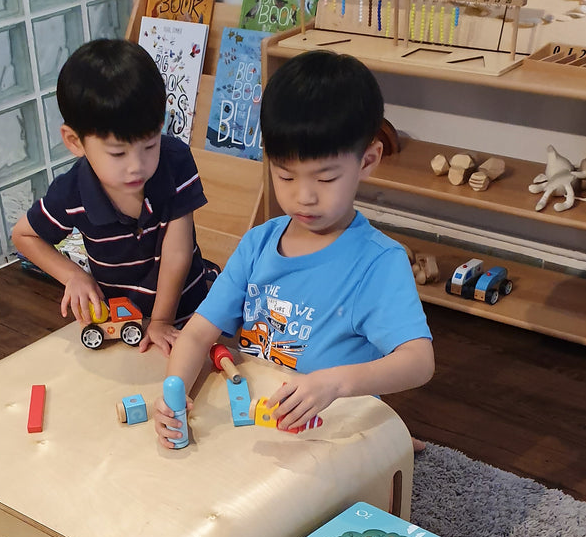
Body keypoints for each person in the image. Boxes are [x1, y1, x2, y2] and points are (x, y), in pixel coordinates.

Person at [153, 50, 434, 446]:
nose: (304, 197)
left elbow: (419, 362)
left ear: (367, 161)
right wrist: (175, 390)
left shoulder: (379, 262)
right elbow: (198, 333)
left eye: (326, 178)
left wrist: (335, 382)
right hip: (257, 420)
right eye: (285, 175)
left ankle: (396, 445)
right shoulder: (258, 243)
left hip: (331, 428)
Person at [11, 39, 215, 355]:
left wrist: (162, 320)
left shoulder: (175, 161)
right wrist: (74, 277)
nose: (137, 166)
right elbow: (23, 235)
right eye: (118, 153)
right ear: (75, 141)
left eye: (149, 145)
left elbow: (177, 252)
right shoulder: (73, 190)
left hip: (184, 314)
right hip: (121, 323)